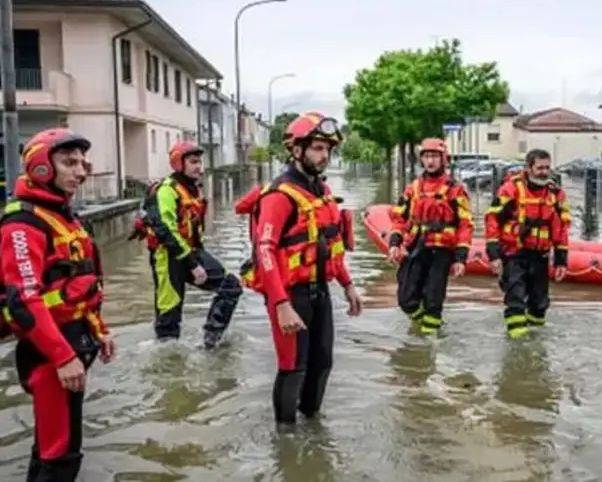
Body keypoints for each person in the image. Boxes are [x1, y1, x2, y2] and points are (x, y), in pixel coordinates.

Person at [0, 128, 116, 481]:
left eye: (82, 162)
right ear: (40, 168)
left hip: (72, 342)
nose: (80, 171)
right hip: (50, 352)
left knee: (54, 448)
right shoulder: (23, 223)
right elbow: (23, 300)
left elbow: (78, 284)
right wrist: (63, 357)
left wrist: (100, 330)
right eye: (69, 163)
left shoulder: (63, 214)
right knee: (60, 455)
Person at [243, 112, 362, 426]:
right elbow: (264, 249)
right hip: (289, 294)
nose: (325, 156)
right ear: (297, 150)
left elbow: (330, 246)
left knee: (322, 364)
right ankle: (286, 442)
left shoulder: (321, 192)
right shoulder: (279, 196)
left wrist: (348, 284)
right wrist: (281, 304)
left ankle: (313, 432)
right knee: (292, 366)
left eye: (328, 149)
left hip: (319, 290)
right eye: (318, 148)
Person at [130, 141, 242, 347]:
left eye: (200, 162)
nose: (199, 166)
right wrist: (193, 265)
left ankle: (211, 340)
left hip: (191, 252)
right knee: (169, 319)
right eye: (193, 162)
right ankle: (167, 359)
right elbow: (165, 230)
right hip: (168, 257)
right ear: (178, 164)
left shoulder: (194, 190)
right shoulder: (166, 190)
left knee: (231, 286)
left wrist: (196, 260)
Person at [387, 138, 474, 334]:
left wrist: (460, 257)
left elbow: (465, 224)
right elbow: (399, 217)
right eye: (427, 156)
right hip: (416, 247)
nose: (430, 161)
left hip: (441, 251)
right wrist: (395, 242)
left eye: (435, 156)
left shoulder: (455, 189)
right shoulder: (413, 188)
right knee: (406, 299)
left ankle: (428, 348)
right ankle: (421, 325)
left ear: (444, 159)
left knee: (433, 300)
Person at [484, 148, 570, 338]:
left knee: (540, 304)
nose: (544, 172)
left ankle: (535, 346)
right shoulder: (511, 189)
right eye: (540, 168)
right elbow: (492, 219)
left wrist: (561, 260)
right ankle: (516, 348)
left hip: (540, 255)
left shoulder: (555, 194)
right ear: (529, 168)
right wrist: (493, 253)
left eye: (547, 167)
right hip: (514, 253)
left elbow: (561, 228)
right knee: (515, 300)